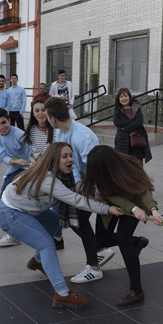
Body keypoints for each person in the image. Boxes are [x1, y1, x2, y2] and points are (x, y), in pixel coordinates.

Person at [0, 142, 123, 309]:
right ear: (54, 160)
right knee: (47, 244)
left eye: (71, 155)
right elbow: (75, 199)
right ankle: (62, 294)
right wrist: (107, 209)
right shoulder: (49, 180)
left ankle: (38, 261)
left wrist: (95, 195)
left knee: (55, 222)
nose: (70, 159)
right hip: (9, 213)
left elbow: (77, 191)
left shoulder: (59, 175)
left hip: (21, 209)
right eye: (65, 156)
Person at [82, 146, 163, 305]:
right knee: (102, 240)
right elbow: (108, 195)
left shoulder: (130, 165)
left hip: (133, 204)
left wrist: (153, 210)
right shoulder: (99, 173)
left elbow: (143, 190)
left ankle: (137, 291)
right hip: (110, 205)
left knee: (123, 240)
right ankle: (137, 242)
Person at [47, 97, 115, 283]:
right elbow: (73, 161)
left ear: (53, 118)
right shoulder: (61, 133)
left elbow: (96, 167)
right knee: (76, 220)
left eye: (47, 116)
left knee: (81, 221)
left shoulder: (82, 136)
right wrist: (77, 183)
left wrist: (98, 191)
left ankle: (95, 265)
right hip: (85, 183)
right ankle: (98, 254)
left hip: (100, 183)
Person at [23, 97, 64, 250]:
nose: (40, 114)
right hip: (39, 172)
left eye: (43, 110)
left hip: (56, 172)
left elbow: (59, 149)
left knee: (57, 205)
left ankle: (57, 237)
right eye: (37, 110)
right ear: (33, 113)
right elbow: (31, 150)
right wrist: (34, 157)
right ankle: (46, 234)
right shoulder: (31, 131)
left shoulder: (56, 129)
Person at [0, 108, 33, 247]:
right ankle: (13, 234)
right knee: (4, 200)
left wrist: (33, 160)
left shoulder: (19, 133)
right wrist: (16, 161)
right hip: (13, 170)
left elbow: (32, 149)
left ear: (9, 120)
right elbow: (2, 156)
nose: (1, 127)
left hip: (29, 169)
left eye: (3, 122)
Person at [113, 87, 152, 164]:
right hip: (122, 141)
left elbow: (139, 122)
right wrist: (133, 121)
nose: (124, 98)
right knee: (123, 164)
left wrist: (126, 128)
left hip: (136, 140)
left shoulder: (136, 107)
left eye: (126, 96)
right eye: (121, 96)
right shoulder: (117, 109)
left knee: (136, 164)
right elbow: (117, 122)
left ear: (129, 97)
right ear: (118, 99)